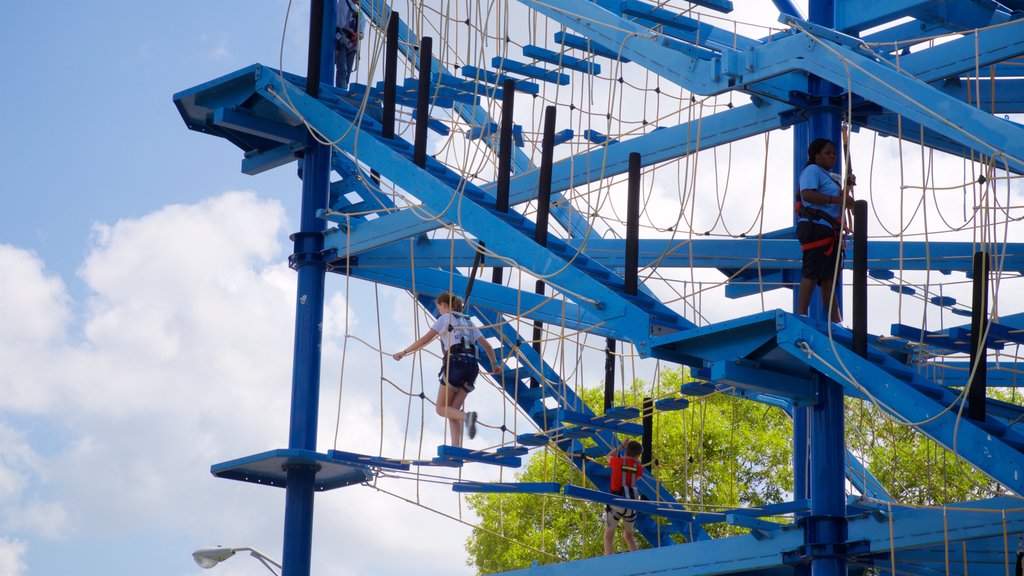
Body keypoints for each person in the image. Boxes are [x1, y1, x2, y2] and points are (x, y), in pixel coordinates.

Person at [393, 292, 501, 447]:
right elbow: (488, 346)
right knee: (452, 409)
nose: (439, 311)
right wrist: (494, 364)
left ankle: (467, 417)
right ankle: (456, 446)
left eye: (439, 308)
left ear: (444, 305)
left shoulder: (444, 319)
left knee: (441, 408)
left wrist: (403, 353)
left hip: (456, 364)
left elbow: (425, 339)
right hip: (472, 367)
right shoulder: (468, 322)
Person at [796, 138, 855, 323]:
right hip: (816, 227)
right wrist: (837, 200)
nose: (833, 156)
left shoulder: (829, 177)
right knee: (812, 273)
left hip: (829, 230)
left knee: (829, 280)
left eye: (834, 153)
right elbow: (807, 194)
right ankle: (802, 315)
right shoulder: (812, 170)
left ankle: (836, 323)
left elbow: (841, 200)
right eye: (828, 153)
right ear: (816, 155)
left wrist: (847, 188)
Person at [603, 439, 644, 555]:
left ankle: (610, 562)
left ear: (626, 450)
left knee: (608, 537)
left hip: (616, 503)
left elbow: (608, 456)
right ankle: (636, 559)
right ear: (637, 455)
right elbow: (637, 476)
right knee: (628, 536)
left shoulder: (617, 462)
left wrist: (621, 446)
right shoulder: (638, 468)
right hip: (631, 505)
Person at [335, 0, 364, 89]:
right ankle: (341, 91)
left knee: (347, 73)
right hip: (342, 38)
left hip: (352, 42)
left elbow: (362, 33)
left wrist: (358, 35)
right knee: (342, 70)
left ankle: (343, 90)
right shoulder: (343, 2)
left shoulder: (360, 14)